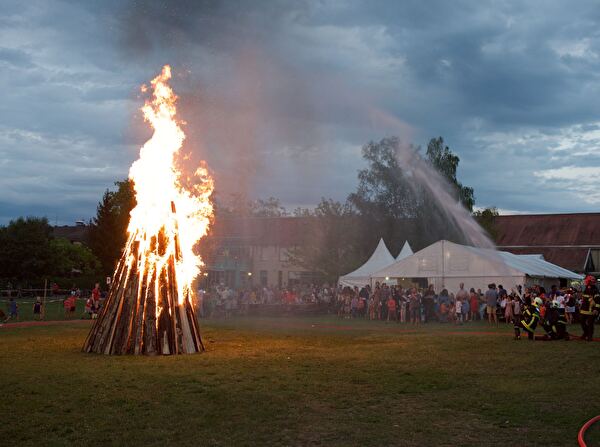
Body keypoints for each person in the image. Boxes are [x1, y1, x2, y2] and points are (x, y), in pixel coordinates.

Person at [579, 276, 599, 342]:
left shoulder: (595, 289)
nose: (593, 281)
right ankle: (586, 333)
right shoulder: (587, 288)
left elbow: (598, 300)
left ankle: (590, 336)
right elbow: (584, 298)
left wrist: (596, 309)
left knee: (590, 323)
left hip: (591, 309)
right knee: (582, 322)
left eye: (593, 280)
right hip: (584, 309)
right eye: (591, 280)